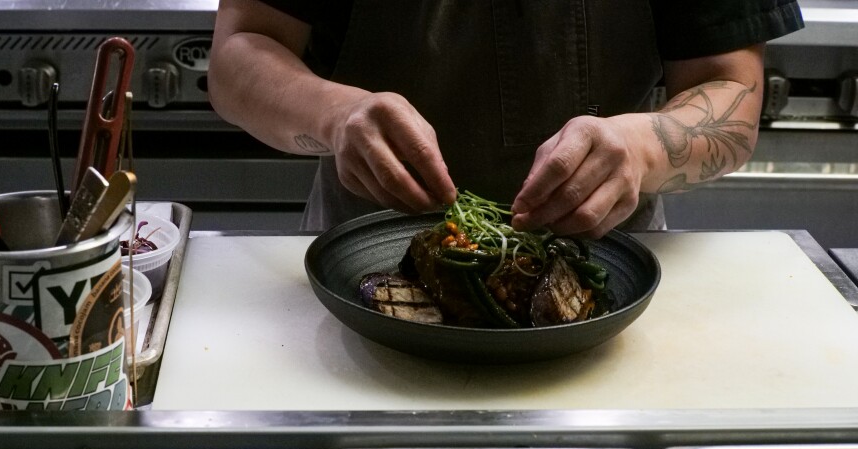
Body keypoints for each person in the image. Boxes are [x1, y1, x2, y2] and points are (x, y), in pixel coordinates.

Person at [208, 1, 803, 236]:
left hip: (604, 276)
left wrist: (642, 148)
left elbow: (730, 92)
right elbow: (240, 54)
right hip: (365, 272)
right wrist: (338, 115)